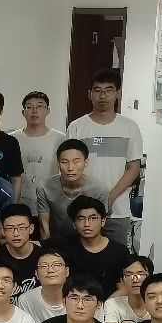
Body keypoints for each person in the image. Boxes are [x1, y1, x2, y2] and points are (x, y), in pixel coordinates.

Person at [66, 68, 142, 248]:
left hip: (117, 211)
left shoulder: (130, 127)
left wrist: (109, 198)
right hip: (82, 210)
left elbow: (133, 168)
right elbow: (68, 167)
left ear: (117, 94)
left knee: (117, 260)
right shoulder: (77, 127)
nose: (103, 96)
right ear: (89, 94)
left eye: (109, 90)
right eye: (98, 90)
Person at [36, 139, 112, 245]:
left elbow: (99, 225)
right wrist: (47, 249)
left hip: (86, 242)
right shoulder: (44, 187)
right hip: (57, 241)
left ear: (86, 162)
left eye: (76, 162)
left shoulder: (99, 189)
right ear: (58, 163)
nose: (70, 168)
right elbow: (44, 225)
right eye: (64, 162)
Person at [61, 195, 130, 296]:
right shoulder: (64, 247)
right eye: (81, 219)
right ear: (74, 224)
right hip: (74, 303)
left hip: (109, 303)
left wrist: (104, 305)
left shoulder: (120, 252)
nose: (87, 224)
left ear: (103, 222)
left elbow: (123, 290)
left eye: (93, 218)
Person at [11, 91, 64, 214]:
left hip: (51, 206)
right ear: (23, 112)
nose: (34, 111)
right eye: (29, 107)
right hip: (20, 205)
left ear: (48, 110)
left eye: (40, 106)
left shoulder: (60, 139)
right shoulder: (12, 139)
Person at [0, 204, 41, 302]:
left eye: (21, 228)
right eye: (10, 228)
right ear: (3, 231)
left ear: (31, 228)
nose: (16, 234)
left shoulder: (43, 257)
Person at [102, 254, 154, 323]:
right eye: (129, 275)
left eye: (140, 274)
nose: (135, 280)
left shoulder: (159, 303)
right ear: (122, 280)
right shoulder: (113, 304)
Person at [18, 247, 71, 323]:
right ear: (36, 274)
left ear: (67, 271)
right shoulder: (26, 301)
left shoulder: (80, 298)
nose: (50, 270)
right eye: (44, 266)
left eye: (56, 265)